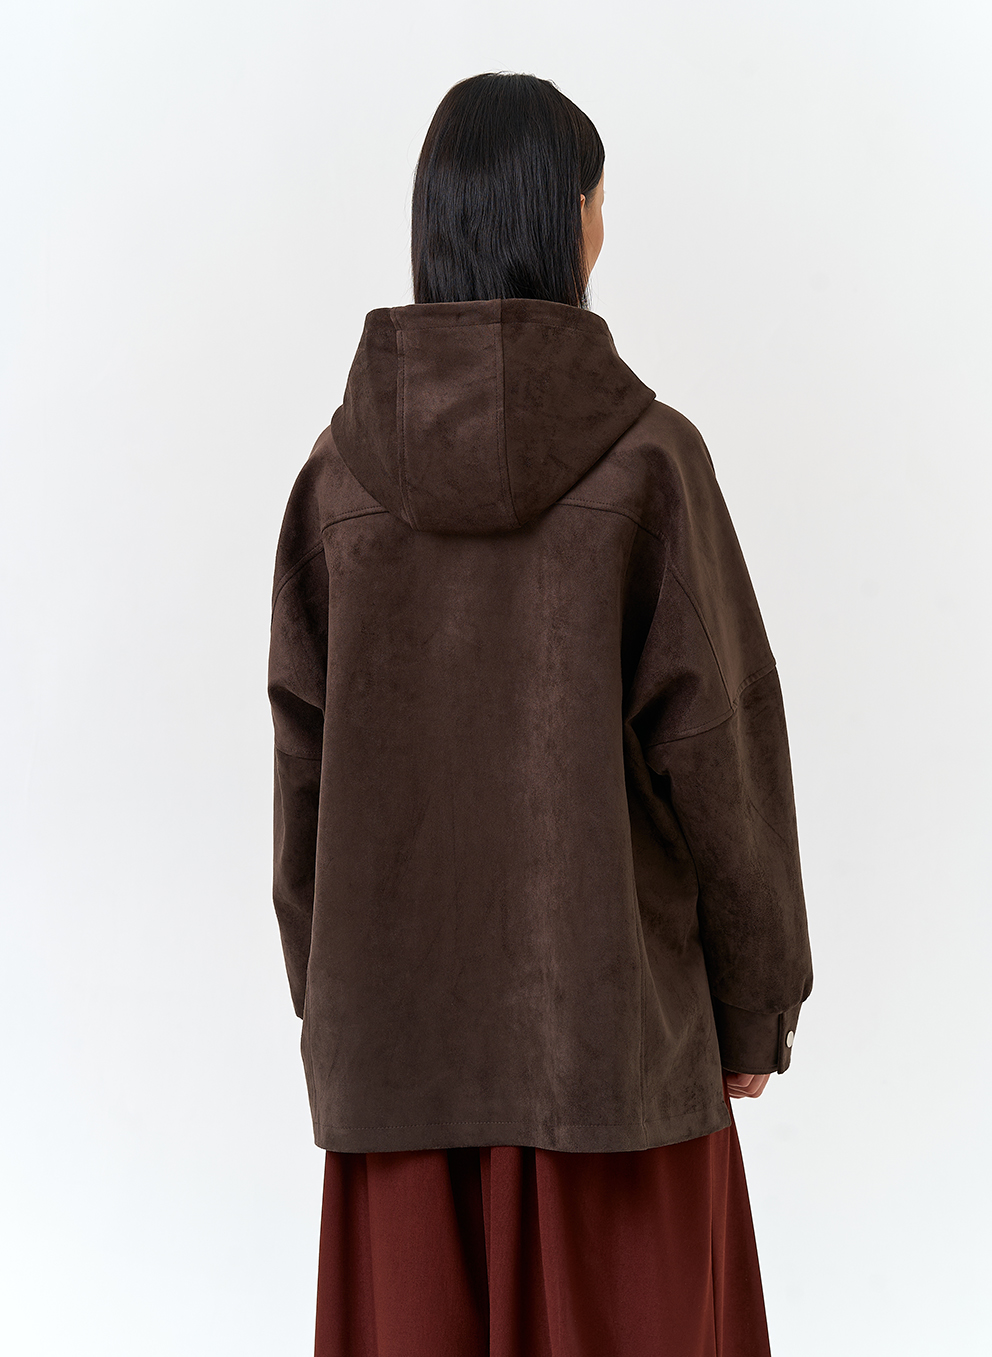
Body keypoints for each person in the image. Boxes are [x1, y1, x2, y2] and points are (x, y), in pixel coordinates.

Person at [267, 70, 813, 1357]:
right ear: (565, 217)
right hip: (612, 1069)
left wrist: (328, 997)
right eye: (599, 200)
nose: (604, 227)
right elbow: (720, 752)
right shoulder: (649, 462)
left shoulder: (334, 481)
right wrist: (753, 1006)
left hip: (396, 1072)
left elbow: (303, 768)